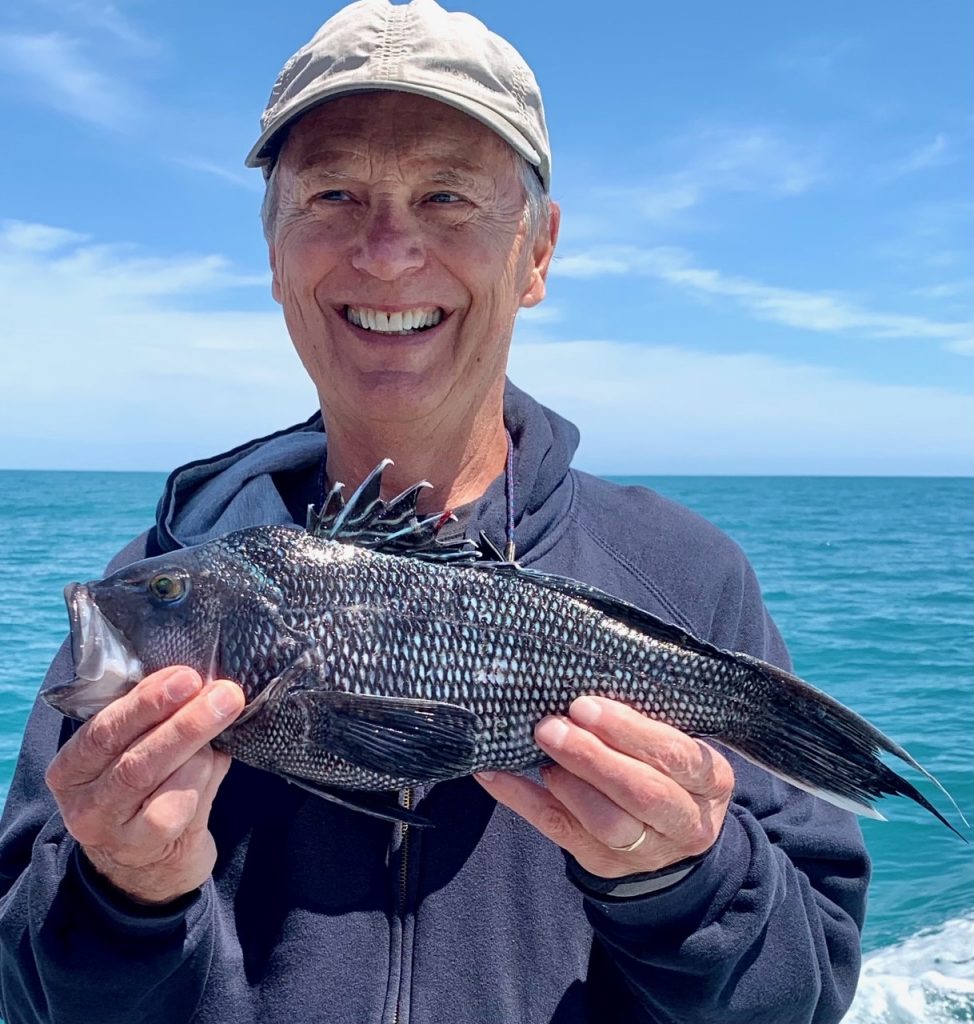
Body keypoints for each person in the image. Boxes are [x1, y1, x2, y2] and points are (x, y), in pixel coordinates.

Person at [0, 1, 869, 1021]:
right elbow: (26, 988)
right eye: (331, 192)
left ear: (536, 253)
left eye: (447, 195)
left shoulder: (685, 579)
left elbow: (805, 994)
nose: (385, 251)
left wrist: (680, 881)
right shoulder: (153, 580)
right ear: (273, 249)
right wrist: (122, 898)